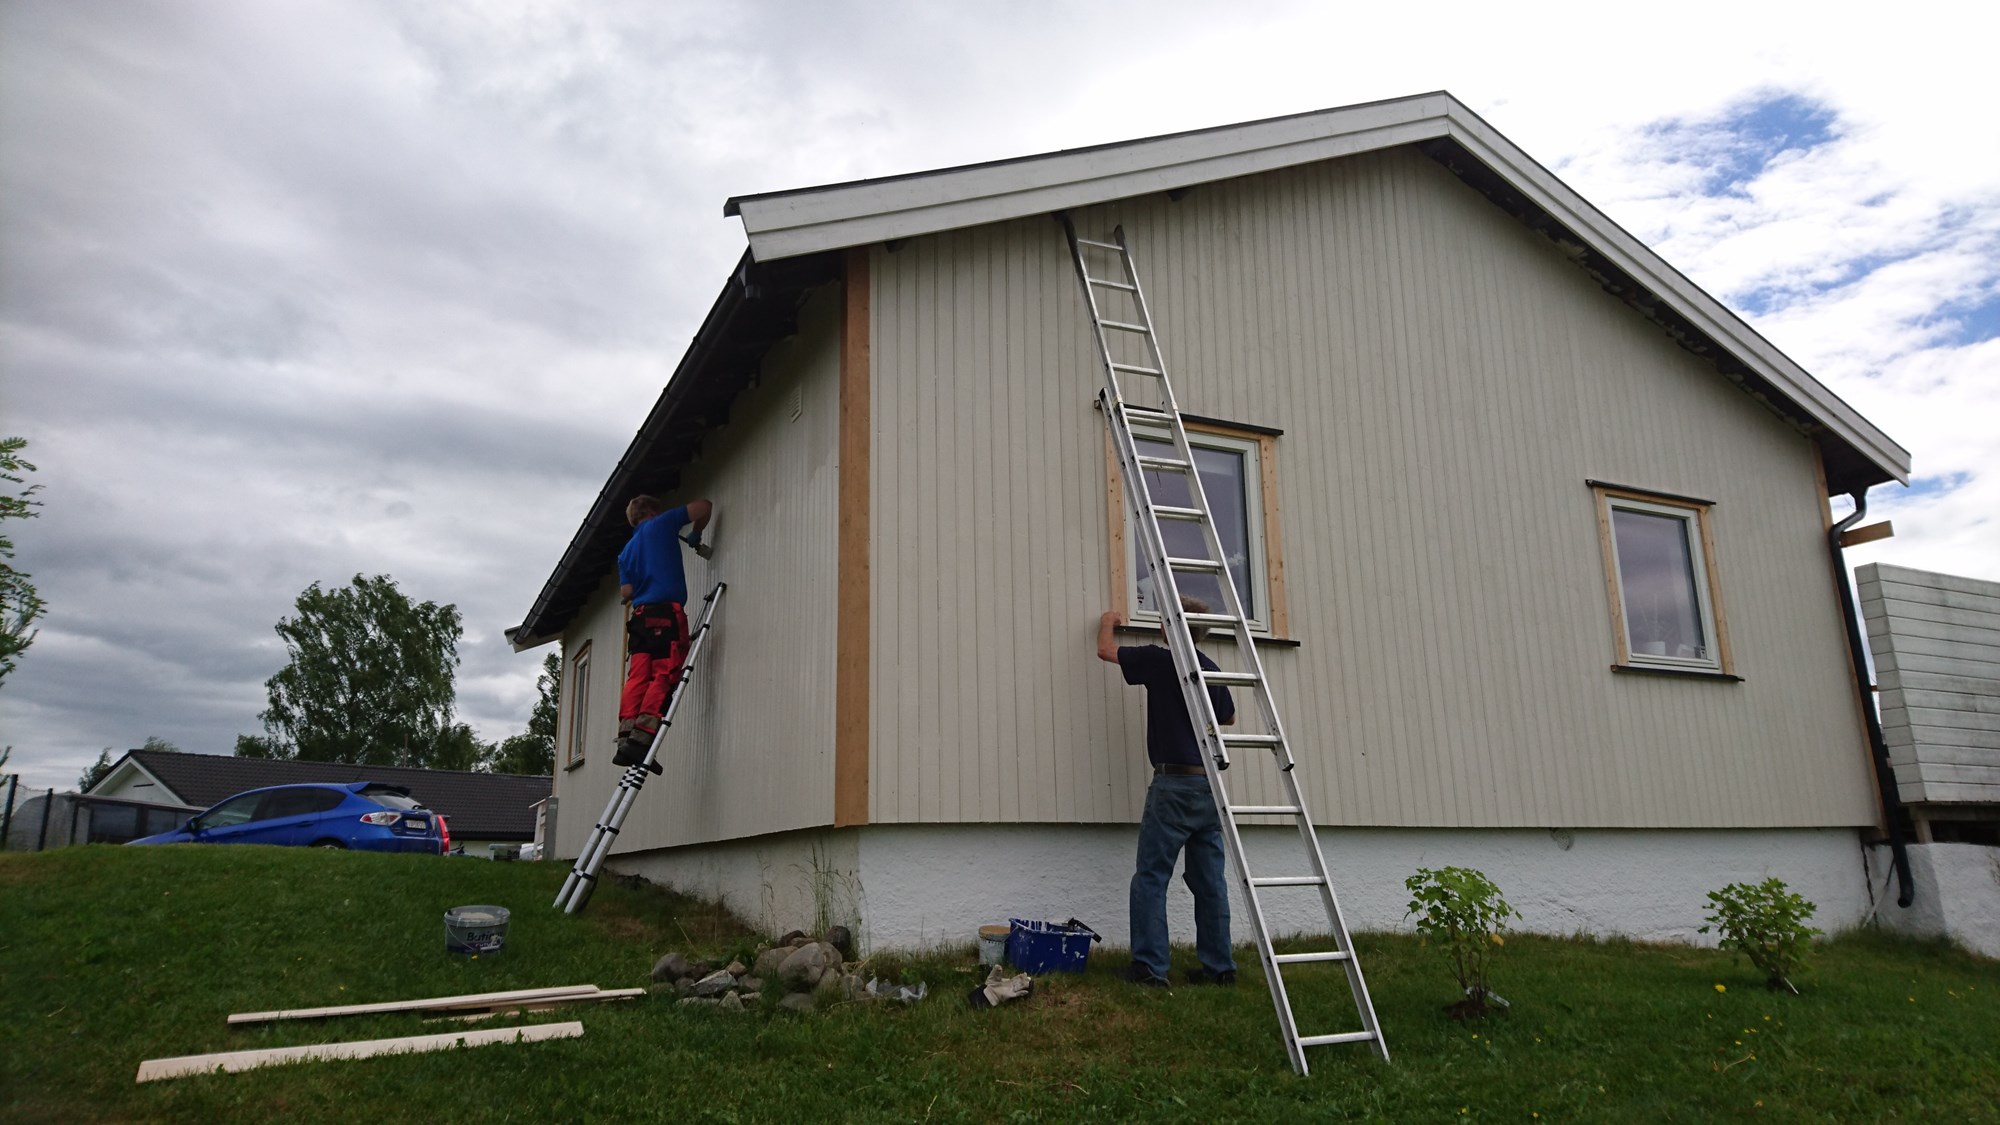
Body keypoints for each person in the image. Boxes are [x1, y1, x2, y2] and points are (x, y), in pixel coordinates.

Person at [1097, 599, 1238, 987]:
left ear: (1168, 628)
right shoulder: (1209, 668)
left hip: (1173, 785)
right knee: (1209, 881)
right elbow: (1227, 716)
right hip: (1208, 786)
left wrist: (1108, 620)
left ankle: (1150, 967)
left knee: (1151, 877)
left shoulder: (1161, 661)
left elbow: (1105, 650)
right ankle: (1219, 968)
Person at [614, 494, 713, 771]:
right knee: (664, 672)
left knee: (638, 676)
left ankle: (626, 737)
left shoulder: (627, 551)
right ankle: (643, 737)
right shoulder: (661, 524)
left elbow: (627, 592)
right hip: (666, 614)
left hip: (641, 618)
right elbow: (704, 506)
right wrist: (695, 533)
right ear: (654, 511)